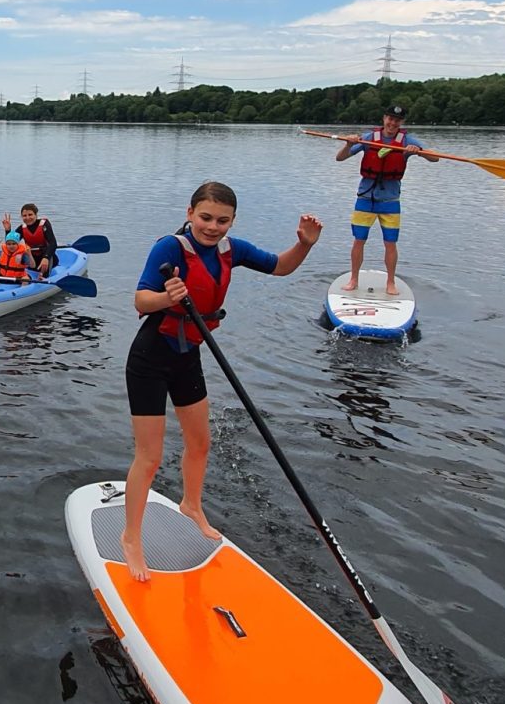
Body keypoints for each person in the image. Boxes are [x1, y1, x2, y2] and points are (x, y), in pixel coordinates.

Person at [121, 181, 322, 582]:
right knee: (150, 456)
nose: (213, 227)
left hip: (187, 356)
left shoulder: (233, 249)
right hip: (149, 358)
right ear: (190, 212)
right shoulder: (170, 248)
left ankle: (191, 505)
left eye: (222, 220)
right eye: (206, 217)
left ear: (232, 220)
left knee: (200, 442)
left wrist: (305, 244)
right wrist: (166, 298)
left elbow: (280, 266)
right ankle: (131, 538)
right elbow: (141, 301)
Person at [334, 104, 437, 295]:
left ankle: (391, 282)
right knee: (359, 240)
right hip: (365, 198)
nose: (392, 123)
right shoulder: (368, 138)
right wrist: (348, 144)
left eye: (397, 120)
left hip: (390, 202)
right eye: (390, 119)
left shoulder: (407, 140)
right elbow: (340, 158)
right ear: (384, 119)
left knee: (390, 243)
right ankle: (353, 279)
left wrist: (419, 151)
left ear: (401, 122)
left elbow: (435, 158)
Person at [4, 204, 59, 276]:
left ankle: (44, 277)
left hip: (46, 256)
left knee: (44, 269)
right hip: (32, 259)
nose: (27, 218)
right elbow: (10, 244)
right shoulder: (22, 228)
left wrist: (46, 258)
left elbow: (53, 243)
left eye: (30, 215)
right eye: (24, 216)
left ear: (36, 215)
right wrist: (8, 230)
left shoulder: (44, 224)